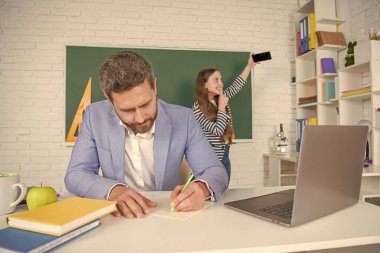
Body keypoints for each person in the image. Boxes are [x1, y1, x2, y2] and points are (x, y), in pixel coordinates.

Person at [65, 51, 228, 219]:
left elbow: (215, 170)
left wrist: (201, 188)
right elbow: (76, 174)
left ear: (155, 87)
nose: (140, 117)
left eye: (146, 104)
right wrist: (112, 190)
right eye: (127, 110)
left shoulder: (184, 118)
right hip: (118, 218)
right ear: (109, 100)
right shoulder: (94, 116)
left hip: (168, 214)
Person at [192, 53, 256, 181]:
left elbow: (236, 86)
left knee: (224, 188)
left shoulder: (221, 97)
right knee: (213, 190)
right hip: (211, 156)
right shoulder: (197, 108)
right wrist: (222, 107)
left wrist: (249, 66)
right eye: (216, 80)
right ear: (205, 85)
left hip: (224, 152)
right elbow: (217, 131)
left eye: (221, 79)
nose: (221, 83)